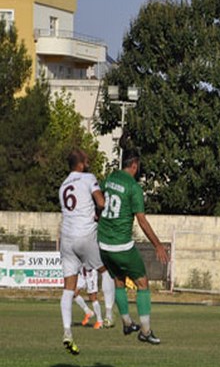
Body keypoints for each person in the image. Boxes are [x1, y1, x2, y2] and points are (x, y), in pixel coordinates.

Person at [98, 149, 169, 345]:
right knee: (142, 284)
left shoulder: (111, 177)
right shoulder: (134, 188)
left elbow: (97, 192)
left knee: (119, 281)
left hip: (103, 243)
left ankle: (127, 322)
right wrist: (158, 245)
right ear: (135, 165)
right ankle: (145, 331)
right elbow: (142, 221)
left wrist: (97, 213)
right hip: (121, 246)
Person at [58, 148, 117, 356]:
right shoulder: (88, 178)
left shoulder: (63, 185)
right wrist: (99, 214)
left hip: (66, 240)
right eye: (86, 159)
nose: (88, 161)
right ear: (81, 164)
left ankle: (67, 332)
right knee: (106, 270)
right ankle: (108, 315)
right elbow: (101, 202)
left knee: (68, 289)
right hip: (85, 236)